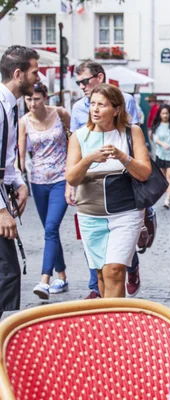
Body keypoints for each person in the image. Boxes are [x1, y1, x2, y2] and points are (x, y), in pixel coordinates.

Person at [66, 84, 151, 298]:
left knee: (114, 270)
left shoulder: (131, 133)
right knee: (101, 274)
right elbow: (71, 177)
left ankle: (116, 327)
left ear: (116, 109)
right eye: (92, 104)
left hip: (126, 211)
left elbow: (144, 173)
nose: (95, 109)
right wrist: (89, 159)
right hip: (90, 214)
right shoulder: (79, 136)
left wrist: (123, 156)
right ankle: (107, 322)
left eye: (101, 105)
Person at [18, 83, 71, 299]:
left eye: (37, 99)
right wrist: (20, 179)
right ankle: (63, 276)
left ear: (45, 98)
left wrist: (74, 176)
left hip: (61, 178)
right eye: (29, 99)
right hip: (38, 182)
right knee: (51, 231)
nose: (32, 103)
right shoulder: (24, 122)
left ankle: (44, 281)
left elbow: (73, 140)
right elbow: (21, 156)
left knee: (51, 227)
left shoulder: (60, 114)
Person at [0, 45, 39, 320]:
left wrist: (20, 183)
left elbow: (6, 156)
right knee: (7, 272)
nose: (38, 78)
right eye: (34, 72)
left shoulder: (11, 106)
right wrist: (1, 211)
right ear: (18, 73)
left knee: (7, 272)